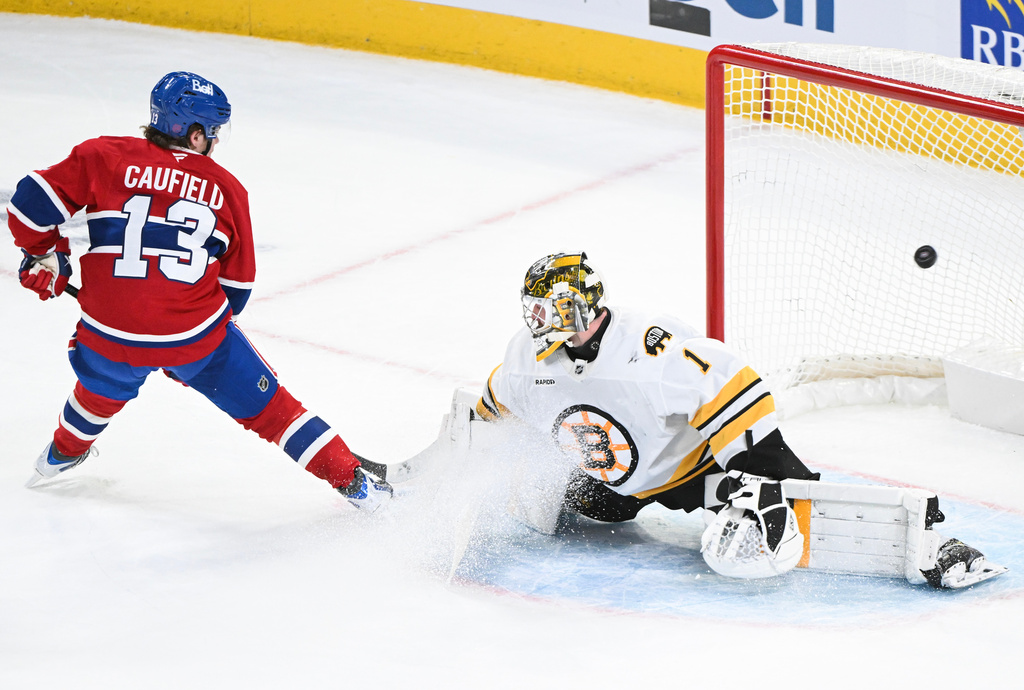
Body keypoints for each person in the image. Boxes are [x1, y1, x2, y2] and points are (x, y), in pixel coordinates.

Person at [469, 251, 1002, 587]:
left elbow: (736, 386)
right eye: (533, 310)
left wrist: (752, 468)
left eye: (551, 310)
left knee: (789, 498)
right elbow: (488, 415)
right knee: (588, 505)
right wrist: (451, 468)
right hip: (614, 481)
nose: (538, 324)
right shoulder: (526, 359)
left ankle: (931, 547)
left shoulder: (649, 348)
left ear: (581, 307)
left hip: (698, 469)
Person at [7, 71, 392, 512]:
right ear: (193, 134)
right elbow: (237, 289)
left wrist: (48, 255)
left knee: (101, 386)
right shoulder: (226, 187)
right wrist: (182, 338)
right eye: (211, 133)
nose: (213, 142)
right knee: (273, 413)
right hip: (196, 339)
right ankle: (359, 488)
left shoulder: (103, 155)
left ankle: (61, 455)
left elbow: (26, 208)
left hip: (107, 333)